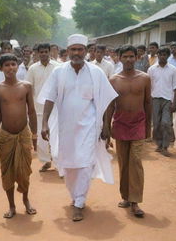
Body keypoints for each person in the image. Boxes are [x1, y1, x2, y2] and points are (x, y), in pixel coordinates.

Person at [41, 34, 117, 221]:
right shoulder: (58, 72)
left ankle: (79, 202)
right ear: (67, 52)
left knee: (84, 164)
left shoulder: (96, 72)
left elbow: (107, 100)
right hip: (65, 127)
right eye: (73, 50)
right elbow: (50, 98)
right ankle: (74, 196)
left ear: (86, 51)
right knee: (67, 163)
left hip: (89, 127)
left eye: (80, 49)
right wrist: (44, 123)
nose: (76, 53)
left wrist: (107, 125)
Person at [107, 45, 152, 218]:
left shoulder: (145, 78)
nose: (128, 59)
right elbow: (111, 105)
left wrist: (148, 126)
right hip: (120, 124)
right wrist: (106, 126)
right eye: (125, 56)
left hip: (138, 124)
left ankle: (135, 201)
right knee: (124, 163)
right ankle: (126, 196)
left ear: (137, 57)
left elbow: (148, 102)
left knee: (135, 162)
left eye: (131, 56)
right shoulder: (114, 80)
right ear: (118, 57)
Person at [0, 54, 37, 218]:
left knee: (25, 171)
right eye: (6, 65)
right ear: (1, 68)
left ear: (17, 66)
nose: (10, 68)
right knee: (7, 171)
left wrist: (35, 135)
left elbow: (31, 111)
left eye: (13, 64)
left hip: (23, 134)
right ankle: (11, 205)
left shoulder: (26, 86)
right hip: (6, 135)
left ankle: (26, 200)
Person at [26, 43, 59, 172]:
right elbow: (29, 88)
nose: (44, 54)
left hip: (56, 109)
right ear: (37, 53)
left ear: (50, 52)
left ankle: (58, 163)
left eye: (46, 51)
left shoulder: (58, 67)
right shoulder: (33, 69)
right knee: (41, 139)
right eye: (41, 52)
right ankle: (46, 161)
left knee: (56, 137)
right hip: (38, 109)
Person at [148, 47, 176, 156]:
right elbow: (149, 86)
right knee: (156, 124)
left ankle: (165, 146)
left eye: (165, 54)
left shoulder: (173, 69)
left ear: (168, 56)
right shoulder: (151, 69)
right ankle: (159, 144)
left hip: (167, 99)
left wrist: (174, 102)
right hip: (155, 99)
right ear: (158, 55)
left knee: (166, 123)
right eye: (160, 54)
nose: (162, 56)